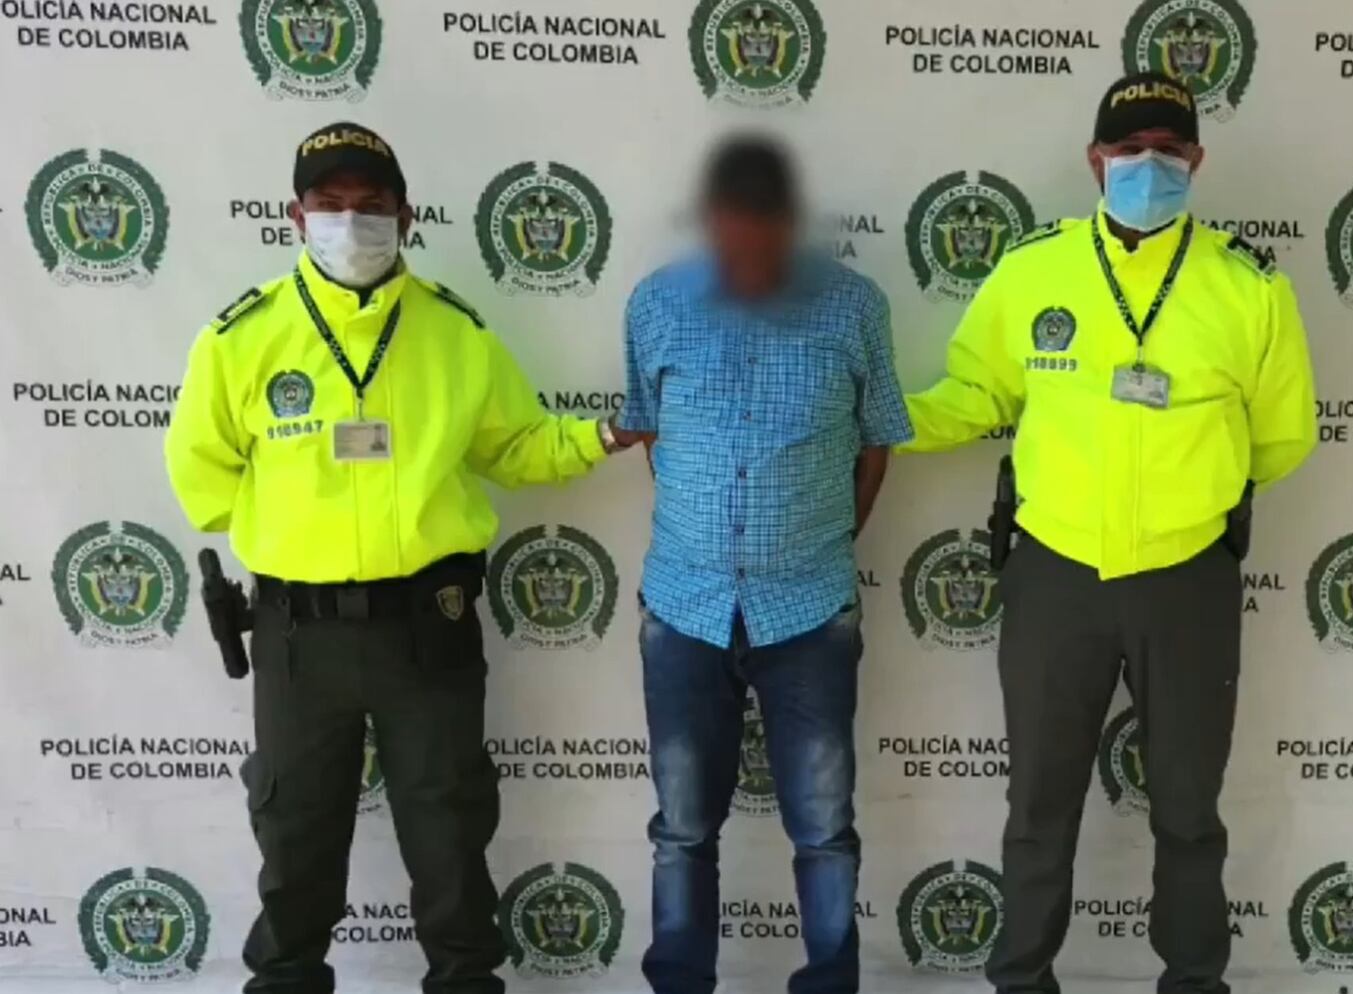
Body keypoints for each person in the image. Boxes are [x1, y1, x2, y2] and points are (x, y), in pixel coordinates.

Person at [163, 121, 642, 994]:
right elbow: (203, 474)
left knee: (449, 835)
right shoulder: (241, 339)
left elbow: (516, 446)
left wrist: (604, 435)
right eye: (330, 204)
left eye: (371, 205)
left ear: (406, 216)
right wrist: (297, 535)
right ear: (295, 216)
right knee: (295, 837)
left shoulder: (456, 333)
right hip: (297, 633)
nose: (351, 222)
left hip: (429, 627)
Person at [901, 73, 1318, 994]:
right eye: (1128, 150)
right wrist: (875, 417)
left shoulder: (1247, 286)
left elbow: (1282, 437)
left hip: (1186, 578)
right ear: (1095, 160)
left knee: (1188, 809)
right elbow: (974, 394)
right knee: (1038, 806)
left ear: (1196, 160)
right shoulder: (1033, 270)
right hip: (1056, 573)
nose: (1147, 166)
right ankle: (1021, 980)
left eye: (1168, 151)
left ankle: (1194, 981)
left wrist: (1188, 491)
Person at [615, 135, 912, 994]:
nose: (746, 251)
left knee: (823, 831)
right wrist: (712, 538)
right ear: (709, 224)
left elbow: (875, 445)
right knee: (682, 830)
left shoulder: (854, 307)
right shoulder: (656, 303)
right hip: (685, 608)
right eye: (731, 231)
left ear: (789, 224)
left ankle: (828, 982)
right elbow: (652, 433)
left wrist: (816, 540)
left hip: (809, 611)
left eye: (763, 232)